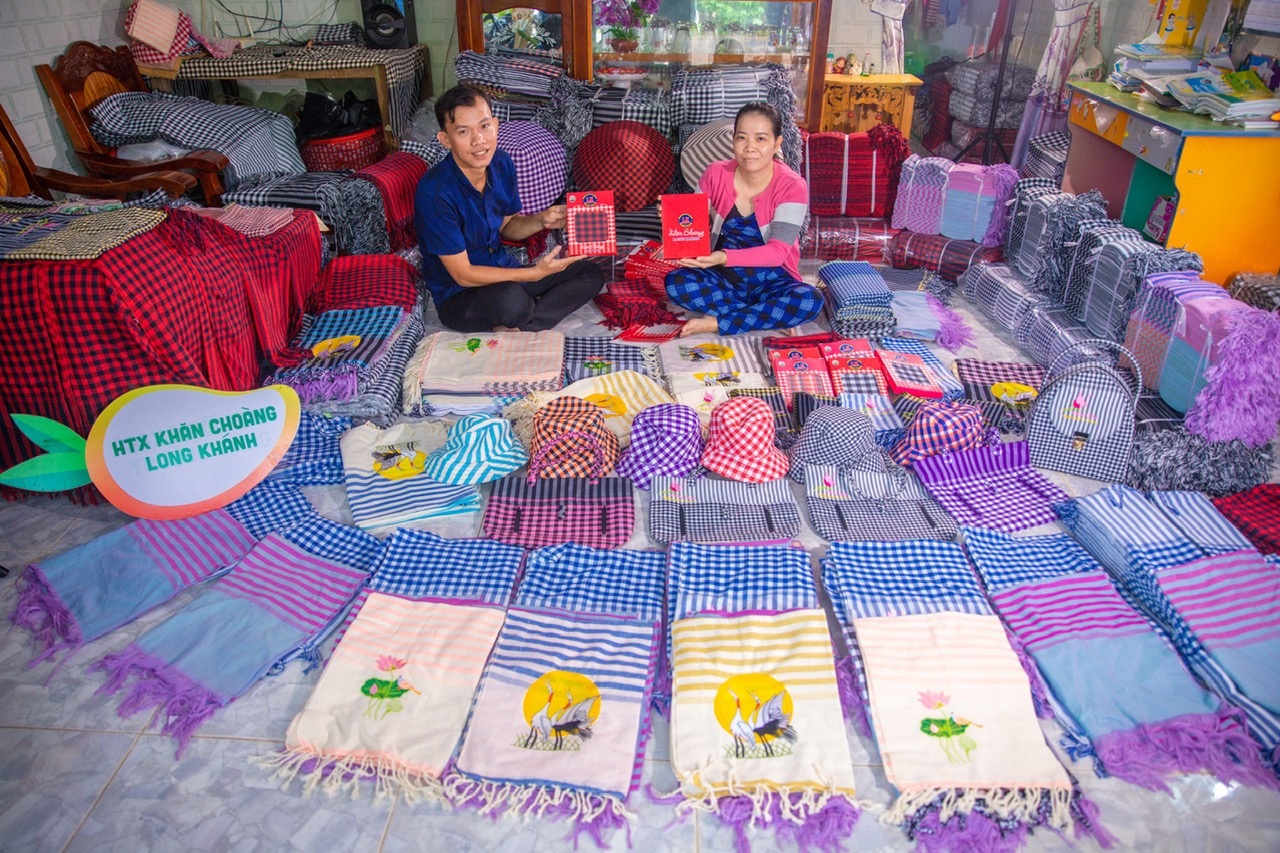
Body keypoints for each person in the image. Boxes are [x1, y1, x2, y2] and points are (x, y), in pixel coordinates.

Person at [414, 84, 603, 333]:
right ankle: (526, 313)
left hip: (504, 271)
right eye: (463, 132)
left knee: (590, 273)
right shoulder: (435, 193)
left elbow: (508, 226)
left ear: (496, 125)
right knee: (513, 302)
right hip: (460, 294)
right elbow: (463, 274)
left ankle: (525, 323)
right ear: (445, 140)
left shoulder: (501, 162)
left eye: (484, 126)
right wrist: (531, 275)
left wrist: (541, 220)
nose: (478, 140)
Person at [664, 102, 822, 338]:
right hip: (723, 277)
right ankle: (764, 317)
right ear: (733, 140)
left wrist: (722, 256)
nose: (750, 148)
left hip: (772, 280)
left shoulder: (792, 185)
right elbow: (694, 229)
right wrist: (674, 220)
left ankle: (718, 322)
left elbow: (777, 253)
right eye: (741, 138)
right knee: (676, 282)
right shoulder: (715, 173)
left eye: (761, 139)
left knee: (809, 300)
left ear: (777, 143)